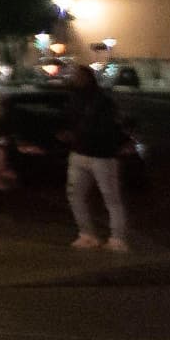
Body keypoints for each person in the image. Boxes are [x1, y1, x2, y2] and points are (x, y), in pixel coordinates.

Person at [60, 61, 132, 252]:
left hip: (101, 155)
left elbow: (107, 127)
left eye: (77, 76)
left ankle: (117, 239)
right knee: (75, 195)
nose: (74, 79)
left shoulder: (102, 101)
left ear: (87, 78)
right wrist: (68, 132)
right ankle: (87, 235)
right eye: (73, 76)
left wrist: (79, 133)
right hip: (80, 152)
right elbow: (71, 121)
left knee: (111, 198)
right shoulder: (75, 98)